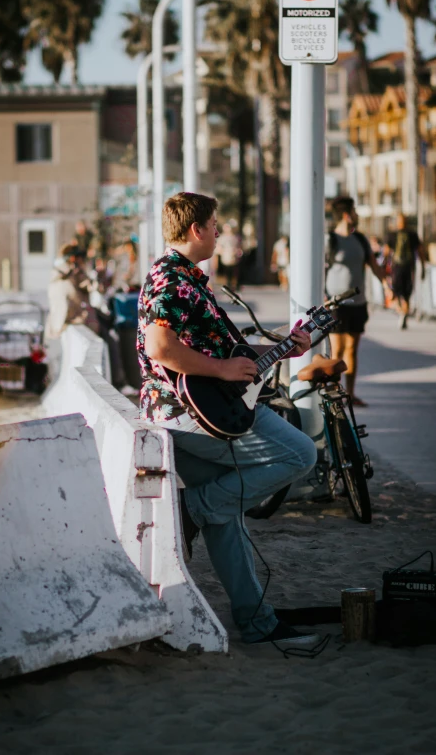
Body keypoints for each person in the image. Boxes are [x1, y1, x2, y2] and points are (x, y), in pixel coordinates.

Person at [137, 191, 320, 648]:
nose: (220, 230)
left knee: (226, 511)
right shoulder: (171, 278)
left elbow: (221, 354)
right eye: (215, 223)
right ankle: (194, 509)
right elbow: (161, 348)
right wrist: (220, 369)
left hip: (191, 414)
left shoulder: (187, 277)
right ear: (196, 229)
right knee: (300, 453)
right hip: (193, 417)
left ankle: (256, 622)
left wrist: (278, 349)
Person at [325, 196, 386, 407]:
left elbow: (373, 265)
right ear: (346, 214)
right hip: (336, 304)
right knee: (337, 350)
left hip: (358, 303)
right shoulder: (330, 240)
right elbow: (321, 269)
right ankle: (334, 394)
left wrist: (387, 286)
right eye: (355, 211)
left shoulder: (360, 239)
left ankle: (349, 394)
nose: (357, 215)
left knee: (352, 349)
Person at [45, 243, 97, 340]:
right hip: (65, 324)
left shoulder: (62, 274)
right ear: (73, 258)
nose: (82, 261)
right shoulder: (66, 275)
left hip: (58, 326)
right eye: (80, 258)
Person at [383, 213, 425, 330]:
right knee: (407, 294)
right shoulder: (413, 234)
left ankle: (402, 312)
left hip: (396, 268)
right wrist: (423, 267)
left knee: (396, 292)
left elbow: (386, 253)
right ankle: (404, 313)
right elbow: (420, 251)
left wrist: (384, 268)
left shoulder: (392, 234)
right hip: (409, 267)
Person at [215, 221, 243, 289]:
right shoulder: (222, 238)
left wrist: (237, 251)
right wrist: (222, 252)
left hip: (234, 258)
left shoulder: (235, 237)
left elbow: (240, 246)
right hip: (226, 258)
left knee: (234, 272)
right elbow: (219, 247)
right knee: (226, 273)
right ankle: (227, 285)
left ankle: (235, 285)